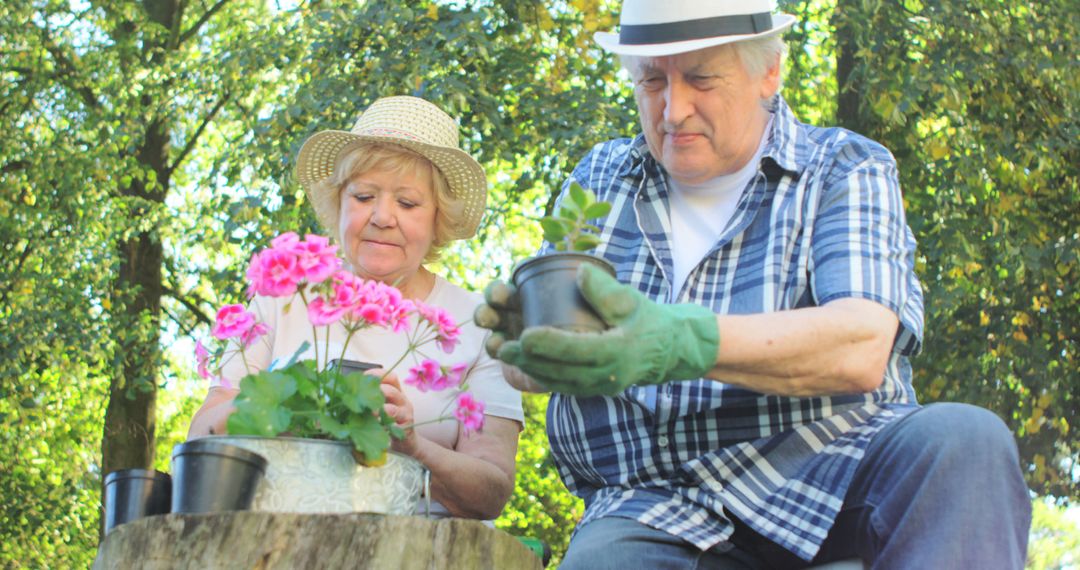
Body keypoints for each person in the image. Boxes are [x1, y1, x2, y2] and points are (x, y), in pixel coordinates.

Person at [476, 1, 1030, 567]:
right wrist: (530, 356)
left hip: (831, 471)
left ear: (769, 71)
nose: (673, 109)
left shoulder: (843, 167)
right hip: (652, 503)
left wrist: (678, 340)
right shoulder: (599, 178)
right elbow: (546, 356)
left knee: (964, 440)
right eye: (652, 81)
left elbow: (861, 345)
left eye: (700, 78)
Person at [188, 95, 524, 521]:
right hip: (272, 542)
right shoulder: (283, 296)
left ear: (439, 217)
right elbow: (200, 437)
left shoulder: (481, 325)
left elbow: (491, 491)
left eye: (407, 203)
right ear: (340, 202)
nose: (382, 217)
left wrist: (411, 446)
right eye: (364, 196)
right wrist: (279, 405)